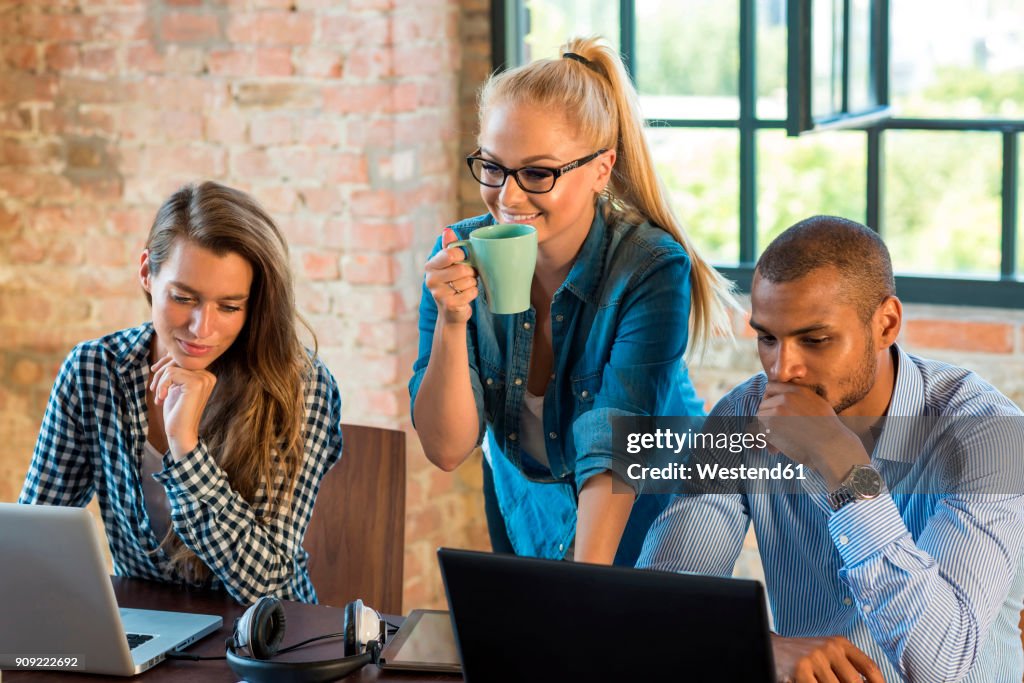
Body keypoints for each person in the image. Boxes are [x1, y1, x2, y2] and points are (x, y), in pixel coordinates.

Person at [637, 215, 1024, 682]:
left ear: (886, 324)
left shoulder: (987, 434)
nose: (783, 370)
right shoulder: (742, 416)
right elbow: (661, 604)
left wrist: (844, 467)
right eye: (767, 338)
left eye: (815, 340)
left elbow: (939, 662)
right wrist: (762, 647)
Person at [409, 37, 736, 566]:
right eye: (492, 168)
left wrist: (580, 600)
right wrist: (452, 320)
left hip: (645, 502)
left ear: (601, 169)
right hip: (527, 494)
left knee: (626, 643)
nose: (508, 198)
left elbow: (614, 450)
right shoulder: (455, 255)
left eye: (537, 173)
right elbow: (446, 449)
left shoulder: (650, 267)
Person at [19, 181, 344, 605]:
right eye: (183, 297)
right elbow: (33, 535)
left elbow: (266, 582)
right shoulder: (95, 370)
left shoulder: (301, 386)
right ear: (146, 274)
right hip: (141, 633)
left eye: (229, 306)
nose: (201, 328)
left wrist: (186, 449)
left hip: (265, 641)